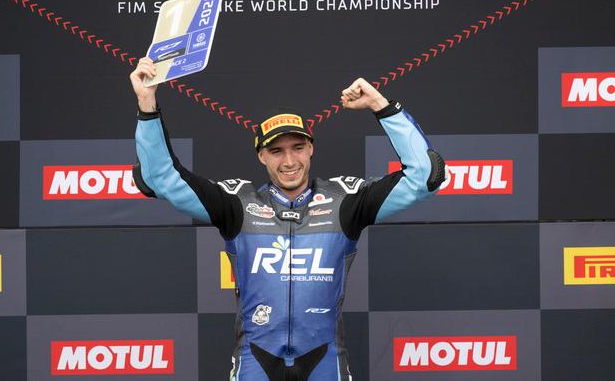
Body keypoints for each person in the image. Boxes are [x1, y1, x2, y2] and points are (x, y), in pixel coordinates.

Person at [130, 57, 445, 381]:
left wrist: (380, 105)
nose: (290, 160)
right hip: (255, 360)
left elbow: (425, 176)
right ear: (261, 155)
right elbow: (161, 178)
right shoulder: (237, 204)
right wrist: (147, 102)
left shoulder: (345, 202)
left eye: (298, 147)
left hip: (325, 360)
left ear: (311, 149)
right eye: (277, 151)